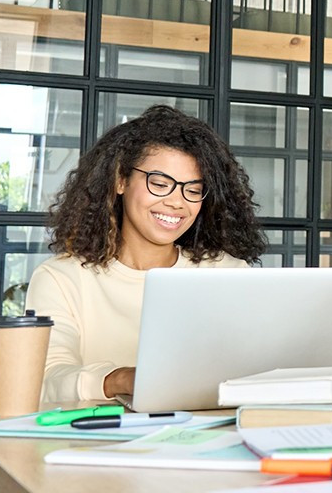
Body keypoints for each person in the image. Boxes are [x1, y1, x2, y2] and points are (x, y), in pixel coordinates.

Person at [25, 106, 265, 403]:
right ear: (120, 181)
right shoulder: (61, 278)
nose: (176, 202)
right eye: (160, 184)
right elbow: (45, 379)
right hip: (94, 442)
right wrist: (122, 379)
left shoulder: (228, 274)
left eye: (192, 190)